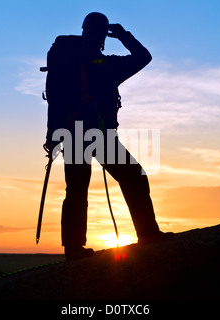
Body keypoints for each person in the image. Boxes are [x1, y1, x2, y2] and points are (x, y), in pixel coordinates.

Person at [44, 12, 174, 260]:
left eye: (98, 33)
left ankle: (77, 248)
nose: (96, 37)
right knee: (87, 187)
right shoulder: (94, 65)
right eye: (96, 32)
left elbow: (144, 58)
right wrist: (122, 35)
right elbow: (56, 100)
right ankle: (142, 234)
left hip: (87, 135)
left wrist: (52, 135)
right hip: (82, 135)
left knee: (115, 180)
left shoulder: (103, 65)